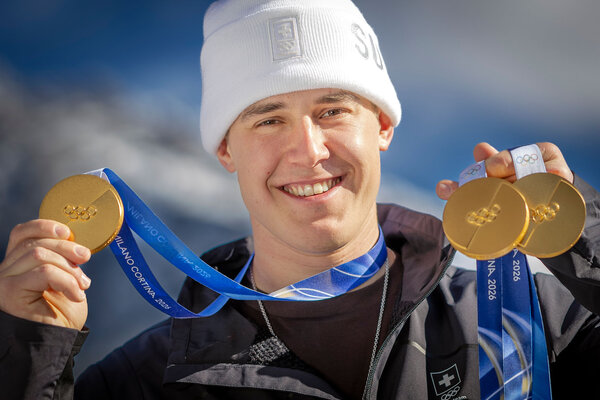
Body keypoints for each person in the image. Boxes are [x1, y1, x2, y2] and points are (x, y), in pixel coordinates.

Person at [1, 0, 599, 399]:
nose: (308, 150)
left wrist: (587, 241)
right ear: (226, 150)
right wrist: (32, 358)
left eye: (333, 109)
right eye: (267, 120)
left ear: (384, 125)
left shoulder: (537, 321)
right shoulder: (146, 380)